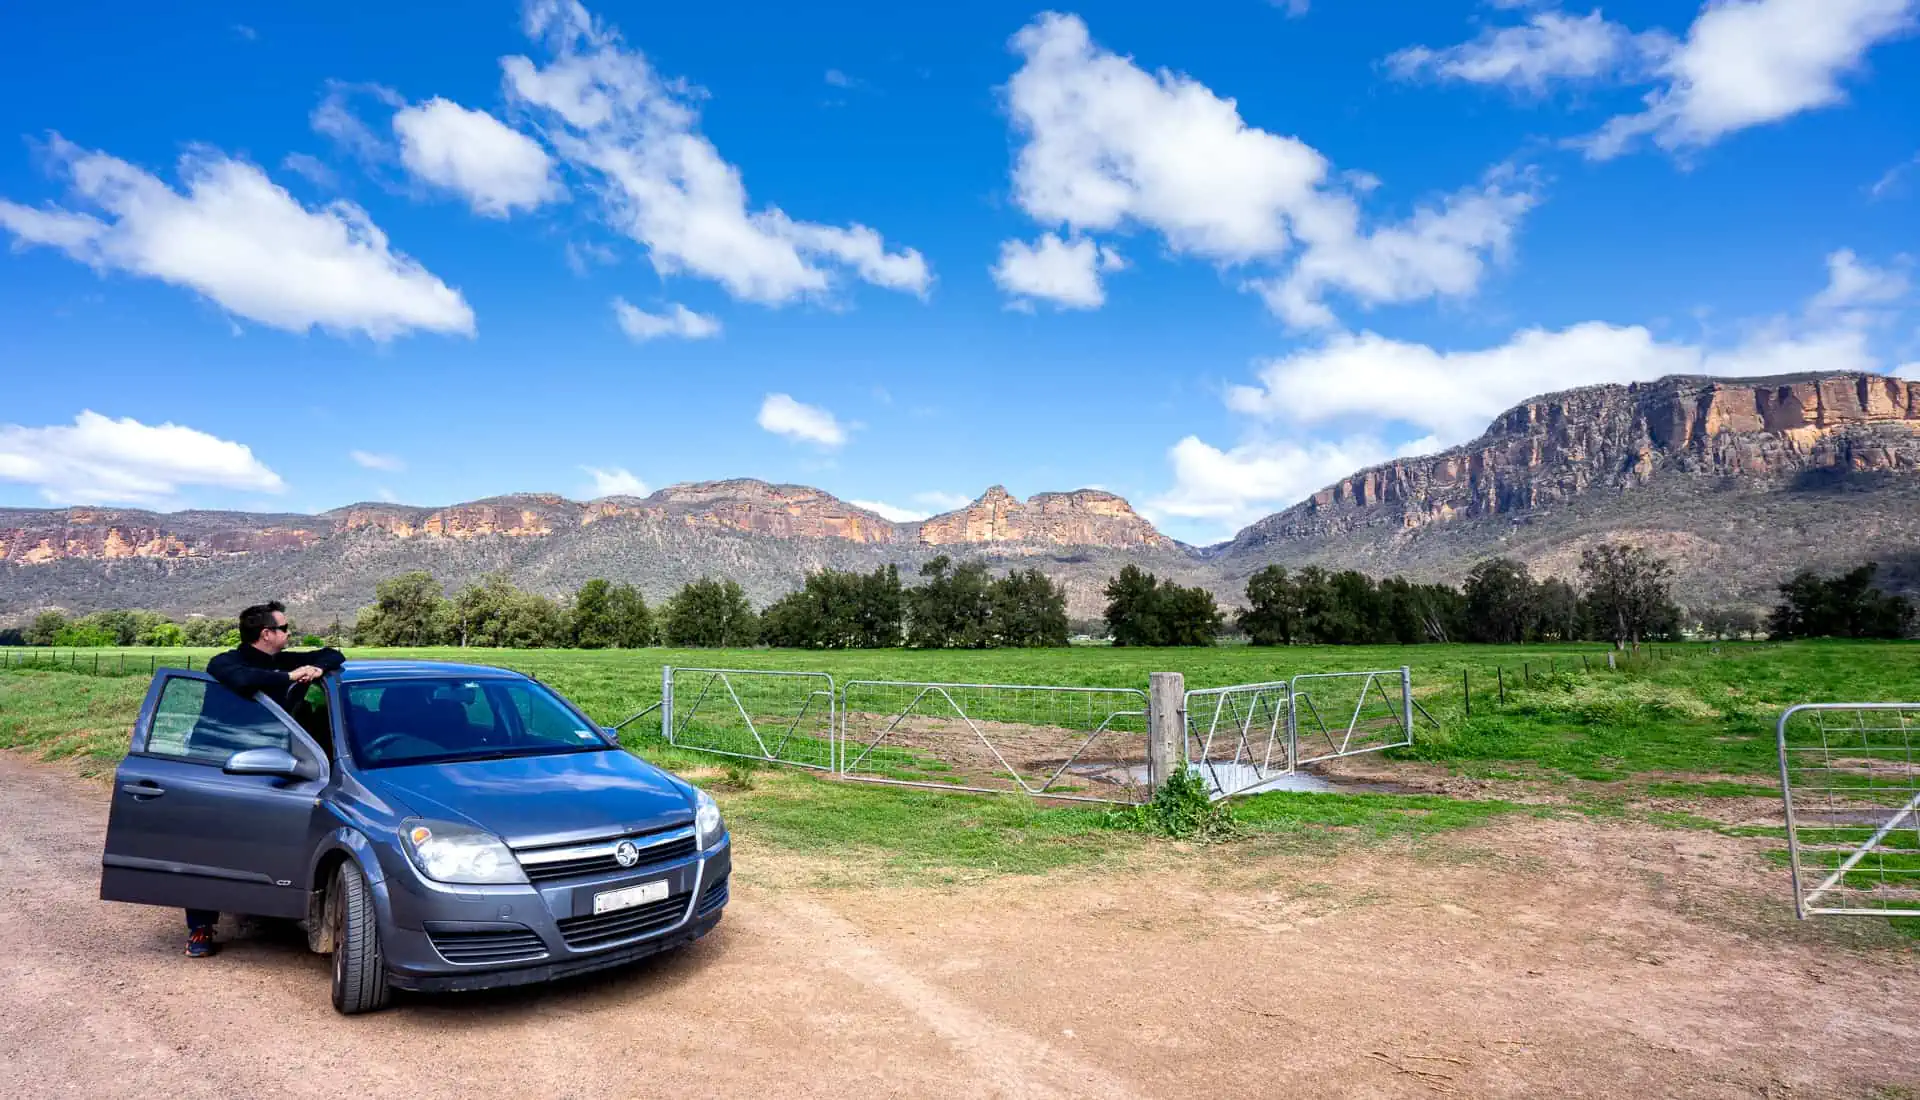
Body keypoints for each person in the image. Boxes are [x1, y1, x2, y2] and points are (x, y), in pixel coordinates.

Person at [187, 601, 345, 958]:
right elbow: (243, 681)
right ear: (266, 634)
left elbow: (333, 654)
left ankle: (267, 900)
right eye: (285, 628)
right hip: (219, 766)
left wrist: (315, 669)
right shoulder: (225, 663)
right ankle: (200, 927)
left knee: (261, 838)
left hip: (269, 766)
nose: (290, 634)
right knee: (208, 846)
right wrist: (291, 677)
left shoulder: (279, 661)